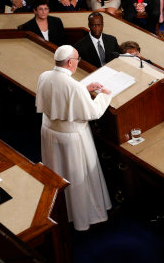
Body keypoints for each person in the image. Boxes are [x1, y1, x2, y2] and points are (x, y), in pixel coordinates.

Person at [35, 45, 112, 231]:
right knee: (79, 177)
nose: (77, 63)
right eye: (77, 59)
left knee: (58, 172)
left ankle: (62, 211)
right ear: (70, 62)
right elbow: (93, 112)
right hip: (71, 139)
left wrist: (85, 89)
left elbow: (58, 97)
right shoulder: (74, 86)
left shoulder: (44, 75)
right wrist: (104, 95)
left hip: (49, 132)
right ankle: (84, 216)